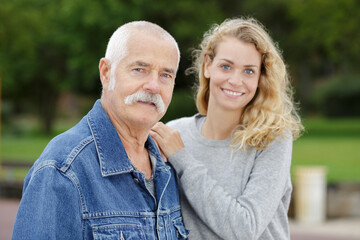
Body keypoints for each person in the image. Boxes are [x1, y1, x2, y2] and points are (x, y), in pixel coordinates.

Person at [12, 21, 189, 239]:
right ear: (106, 73)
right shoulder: (63, 169)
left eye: (165, 75)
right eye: (139, 69)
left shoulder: (167, 167)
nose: (153, 86)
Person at [150, 17, 304, 240]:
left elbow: (245, 228)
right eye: (226, 66)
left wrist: (182, 159)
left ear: (261, 77)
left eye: (249, 71)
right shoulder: (174, 134)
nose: (235, 80)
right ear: (207, 66)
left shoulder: (272, 138)